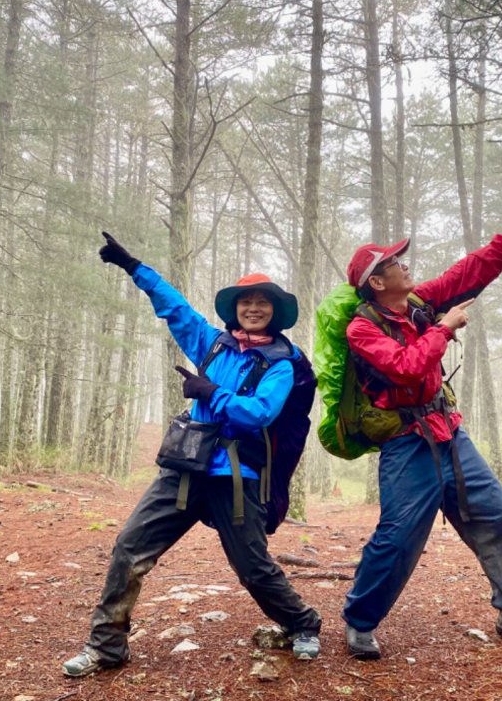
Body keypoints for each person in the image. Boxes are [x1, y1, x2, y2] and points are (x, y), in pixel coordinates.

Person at [61, 232, 322, 677]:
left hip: (238, 478)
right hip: (185, 469)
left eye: (262, 302)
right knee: (130, 547)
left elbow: (258, 414)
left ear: (275, 312)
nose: (253, 308)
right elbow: (175, 309)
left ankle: (303, 624)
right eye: (246, 301)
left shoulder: (282, 362)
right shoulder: (212, 343)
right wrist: (134, 268)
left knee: (254, 569)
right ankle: (106, 646)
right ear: (235, 308)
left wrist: (210, 391)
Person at [340, 209, 502, 660]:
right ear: (377, 283)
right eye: (394, 263)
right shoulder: (362, 328)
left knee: (496, 516)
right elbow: (405, 369)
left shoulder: (420, 302)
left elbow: (468, 271)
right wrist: (443, 329)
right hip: (405, 443)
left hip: (449, 431)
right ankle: (359, 622)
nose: (406, 265)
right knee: (399, 534)